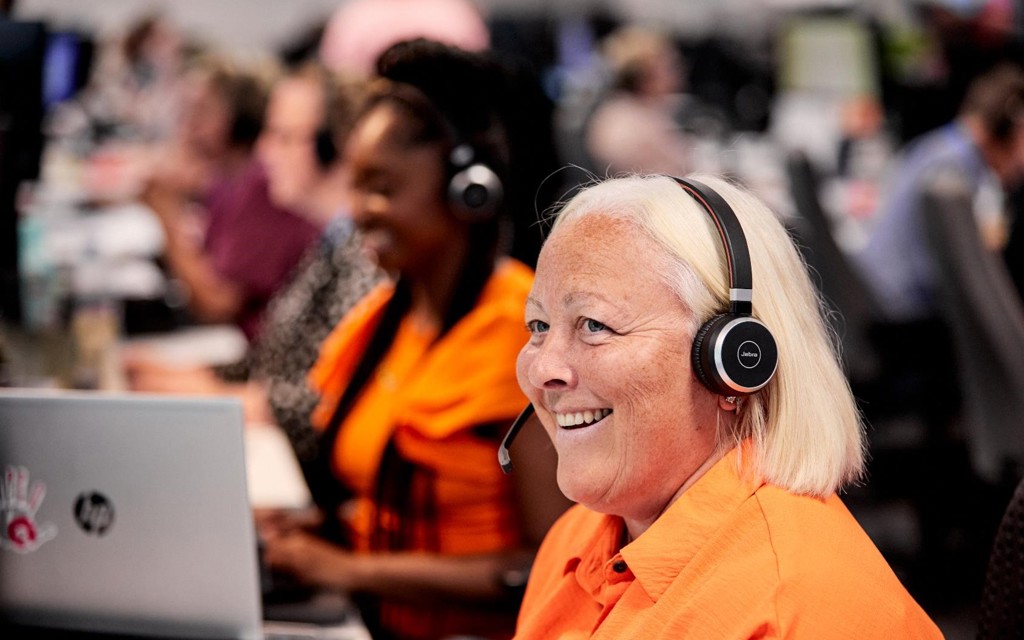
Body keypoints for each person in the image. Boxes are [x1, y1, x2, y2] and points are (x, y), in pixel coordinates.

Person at [506, 174, 942, 638]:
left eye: (594, 324)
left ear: (733, 360)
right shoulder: (575, 540)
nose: (541, 369)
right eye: (539, 324)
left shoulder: (795, 607)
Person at [260, 40, 570, 640]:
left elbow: (549, 562)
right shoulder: (385, 318)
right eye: (355, 185)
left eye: (382, 186)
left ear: (467, 189)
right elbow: (388, 497)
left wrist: (351, 570)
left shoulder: (518, 334)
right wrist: (314, 528)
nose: (360, 211)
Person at [125, 62, 384, 462]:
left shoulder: (369, 261)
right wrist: (189, 376)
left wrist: (205, 392)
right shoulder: (332, 240)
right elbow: (275, 359)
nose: (264, 152)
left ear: (333, 149)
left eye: (282, 137)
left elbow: (321, 408)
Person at [141, 55, 322, 341]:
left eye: (201, 113)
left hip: (247, 347)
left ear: (241, 119)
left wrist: (165, 213)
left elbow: (217, 305)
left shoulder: (264, 187)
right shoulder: (228, 181)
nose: (188, 126)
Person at [856, 62, 1024, 323]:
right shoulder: (951, 169)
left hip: (879, 297)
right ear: (1006, 129)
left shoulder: (943, 149)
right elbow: (949, 276)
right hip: (899, 315)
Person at [584, 26, 693, 177]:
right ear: (646, 76)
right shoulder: (629, 125)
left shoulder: (639, 111)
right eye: (670, 66)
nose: (679, 71)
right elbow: (673, 178)